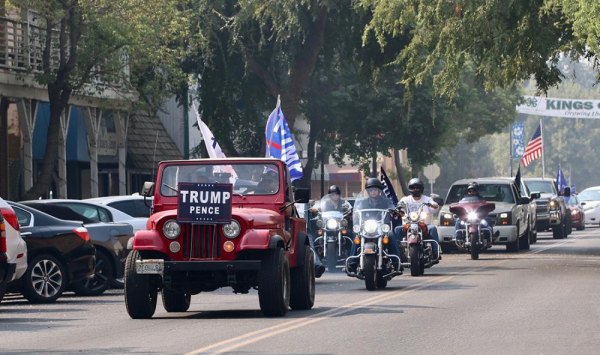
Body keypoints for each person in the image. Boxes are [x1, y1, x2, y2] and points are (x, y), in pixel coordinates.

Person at [349, 177, 401, 271]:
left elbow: (392, 207)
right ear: (368, 191)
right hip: (367, 227)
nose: (373, 192)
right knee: (357, 236)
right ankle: (352, 262)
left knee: (391, 234)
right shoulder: (362, 202)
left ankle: (396, 262)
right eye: (371, 190)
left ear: (379, 191)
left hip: (382, 226)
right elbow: (356, 210)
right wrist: (353, 213)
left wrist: (395, 210)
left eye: (375, 190)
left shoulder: (386, 201)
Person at [396, 178, 441, 259]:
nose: (416, 189)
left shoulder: (427, 199)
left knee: (433, 228)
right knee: (397, 230)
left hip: (424, 224)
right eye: (413, 187)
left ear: (421, 188)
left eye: (418, 187)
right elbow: (400, 209)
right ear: (410, 188)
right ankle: (397, 253)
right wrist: (398, 209)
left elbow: (435, 206)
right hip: (408, 224)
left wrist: (433, 204)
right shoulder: (405, 199)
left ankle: (436, 252)